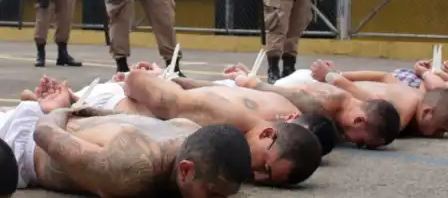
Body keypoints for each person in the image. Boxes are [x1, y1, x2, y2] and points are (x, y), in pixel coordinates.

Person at [0, 79, 252, 197]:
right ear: (186, 170)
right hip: (29, 148)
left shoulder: (190, 132)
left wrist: (82, 107)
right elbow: (43, 132)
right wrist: (61, 108)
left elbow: (127, 118)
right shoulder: (128, 168)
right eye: (211, 195)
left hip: (72, 123)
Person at [124, 69, 324, 186]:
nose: (257, 176)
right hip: (117, 98)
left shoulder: (264, 117)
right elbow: (137, 82)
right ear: (267, 134)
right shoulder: (218, 117)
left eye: (268, 181)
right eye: (265, 167)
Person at [235, 71, 401, 149]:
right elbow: (264, 88)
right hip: (277, 89)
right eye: (361, 143)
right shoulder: (320, 104)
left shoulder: (360, 103)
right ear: (358, 121)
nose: (355, 143)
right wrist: (244, 80)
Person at [309, 60, 448, 137]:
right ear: (427, 113)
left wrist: (341, 74)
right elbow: (370, 99)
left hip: (330, 86)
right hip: (320, 88)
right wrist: (332, 76)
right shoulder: (403, 113)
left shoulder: (412, 93)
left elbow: (384, 76)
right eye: (440, 130)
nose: (440, 135)